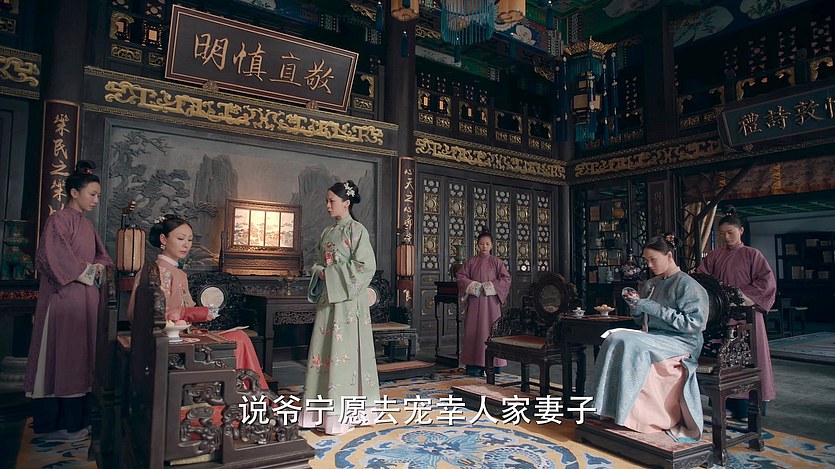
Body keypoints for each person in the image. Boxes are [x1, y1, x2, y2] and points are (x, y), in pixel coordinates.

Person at [127, 214, 268, 390]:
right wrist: (194, 313)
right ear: (163, 239)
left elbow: (182, 309)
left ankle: (248, 393)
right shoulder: (159, 272)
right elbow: (154, 315)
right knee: (239, 338)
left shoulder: (174, 272)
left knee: (239, 336)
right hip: (166, 341)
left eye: (190, 240)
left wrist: (199, 313)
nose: (186, 244)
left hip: (181, 335)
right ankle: (249, 394)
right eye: (180, 238)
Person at [24, 160, 112, 440]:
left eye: (98, 195)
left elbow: (103, 258)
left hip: (87, 299)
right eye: (92, 194)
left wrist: (95, 268)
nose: (96, 200)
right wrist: (87, 270)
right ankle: (57, 422)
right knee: (63, 354)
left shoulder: (87, 226)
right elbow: (54, 258)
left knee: (84, 357)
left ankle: (79, 420)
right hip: (64, 298)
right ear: (74, 192)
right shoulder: (58, 220)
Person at [590, 234, 708, 442]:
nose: (650, 265)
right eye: (646, 260)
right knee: (615, 338)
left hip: (682, 341)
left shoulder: (688, 285)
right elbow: (641, 320)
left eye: (653, 259)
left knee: (630, 343)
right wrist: (636, 308)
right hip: (654, 337)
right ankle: (609, 409)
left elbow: (694, 325)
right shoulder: (651, 283)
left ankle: (636, 419)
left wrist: (651, 307)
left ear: (669, 256)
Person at [300, 180, 380, 435]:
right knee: (323, 350)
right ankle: (319, 413)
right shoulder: (327, 232)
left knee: (344, 352)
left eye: (332, 201)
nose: (327, 205)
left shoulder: (357, 230)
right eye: (327, 201)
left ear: (346, 203)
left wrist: (332, 274)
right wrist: (320, 272)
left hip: (348, 303)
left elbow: (366, 266)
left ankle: (345, 414)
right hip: (328, 299)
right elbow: (316, 261)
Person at [697, 206, 777, 419]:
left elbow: (766, 283)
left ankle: (751, 405)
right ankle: (723, 403)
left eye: (730, 232)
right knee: (722, 359)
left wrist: (741, 296)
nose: (726, 237)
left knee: (750, 357)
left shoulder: (753, 254)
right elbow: (701, 280)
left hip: (747, 315)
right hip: (721, 316)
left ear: (741, 231)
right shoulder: (714, 256)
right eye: (722, 234)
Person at [456, 227, 511, 376]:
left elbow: (506, 279)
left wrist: (490, 286)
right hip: (475, 302)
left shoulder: (497, 262)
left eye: (487, 244)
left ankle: (494, 365)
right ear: (477, 245)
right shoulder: (471, 261)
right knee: (474, 331)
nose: (484, 247)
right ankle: (474, 366)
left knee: (491, 331)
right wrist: (473, 285)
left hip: (491, 303)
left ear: (492, 245)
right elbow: (460, 277)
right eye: (481, 244)